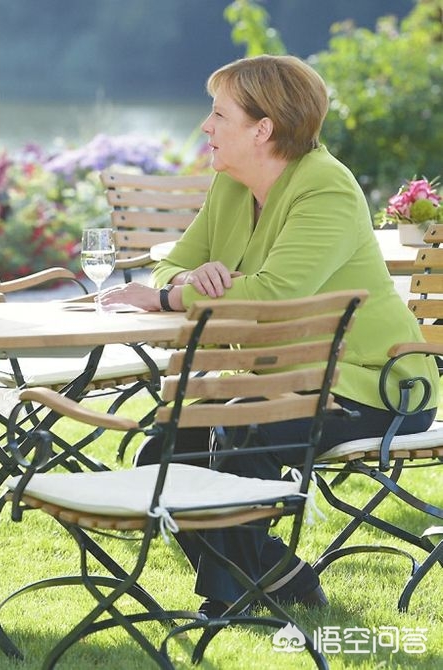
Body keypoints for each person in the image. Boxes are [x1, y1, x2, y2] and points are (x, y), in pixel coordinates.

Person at [98, 55, 439, 616]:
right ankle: (281, 576)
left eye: (218, 115)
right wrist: (186, 277)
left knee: (241, 428)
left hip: (374, 385)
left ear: (264, 129)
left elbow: (275, 294)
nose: (205, 127)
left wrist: (171, 296)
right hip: (284, 379)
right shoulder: (231, 185)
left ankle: (226, 603)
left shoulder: (326, 188)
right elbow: (166, 263)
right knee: (165, 448)